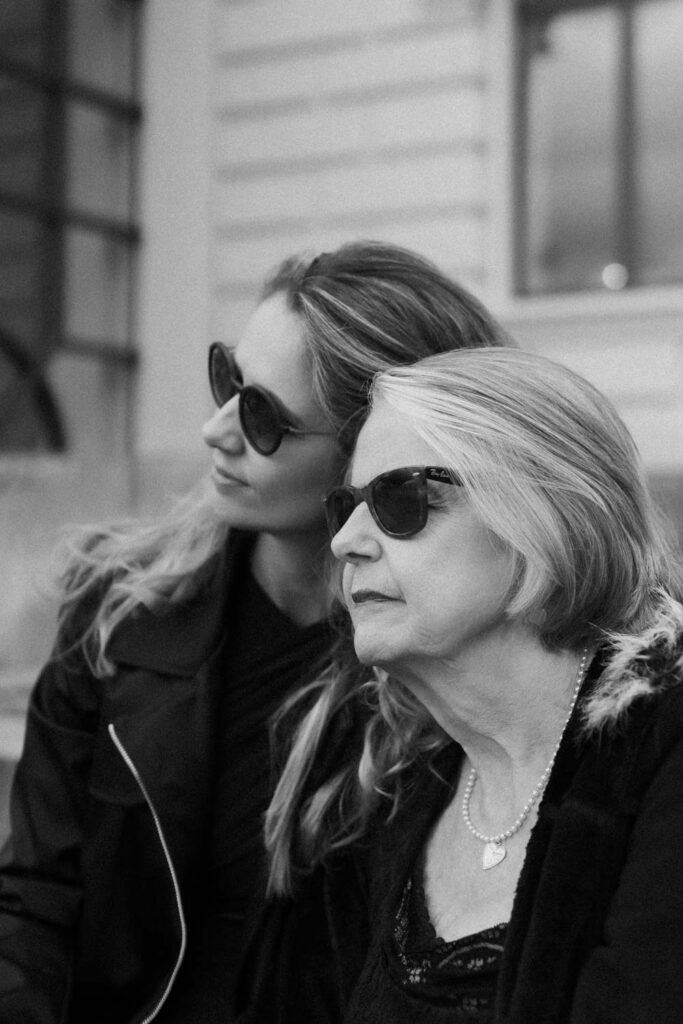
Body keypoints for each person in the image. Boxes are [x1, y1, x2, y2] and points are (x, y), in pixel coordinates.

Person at [0, 241, 511, 1024]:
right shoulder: (116, 610)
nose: (215, 429)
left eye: (264, 416)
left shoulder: (448, 680)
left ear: (376, 456)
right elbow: (34, 899)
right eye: (225, 379)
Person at [255, 347, 683, 1023]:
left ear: (536, 518)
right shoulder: (381, 794)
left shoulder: (660, 756)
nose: (345, 542)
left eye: (398, 500)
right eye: (346, 506)